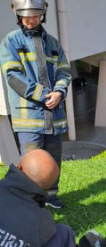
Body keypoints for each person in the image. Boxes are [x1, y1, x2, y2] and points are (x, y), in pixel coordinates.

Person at [0, 0, 71, 210]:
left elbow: (64, 71)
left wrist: (59, 92)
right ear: (18, 15)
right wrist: (43, 95)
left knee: (53, 158)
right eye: (26, 15)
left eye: (34, 15)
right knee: (32, 161)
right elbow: (13, 76)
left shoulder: (53, 43)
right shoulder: (11, 41)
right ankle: (31, 200)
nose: (30, 19)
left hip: (54, 116)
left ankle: (51, 196)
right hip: (29, 118)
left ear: (42, 14)